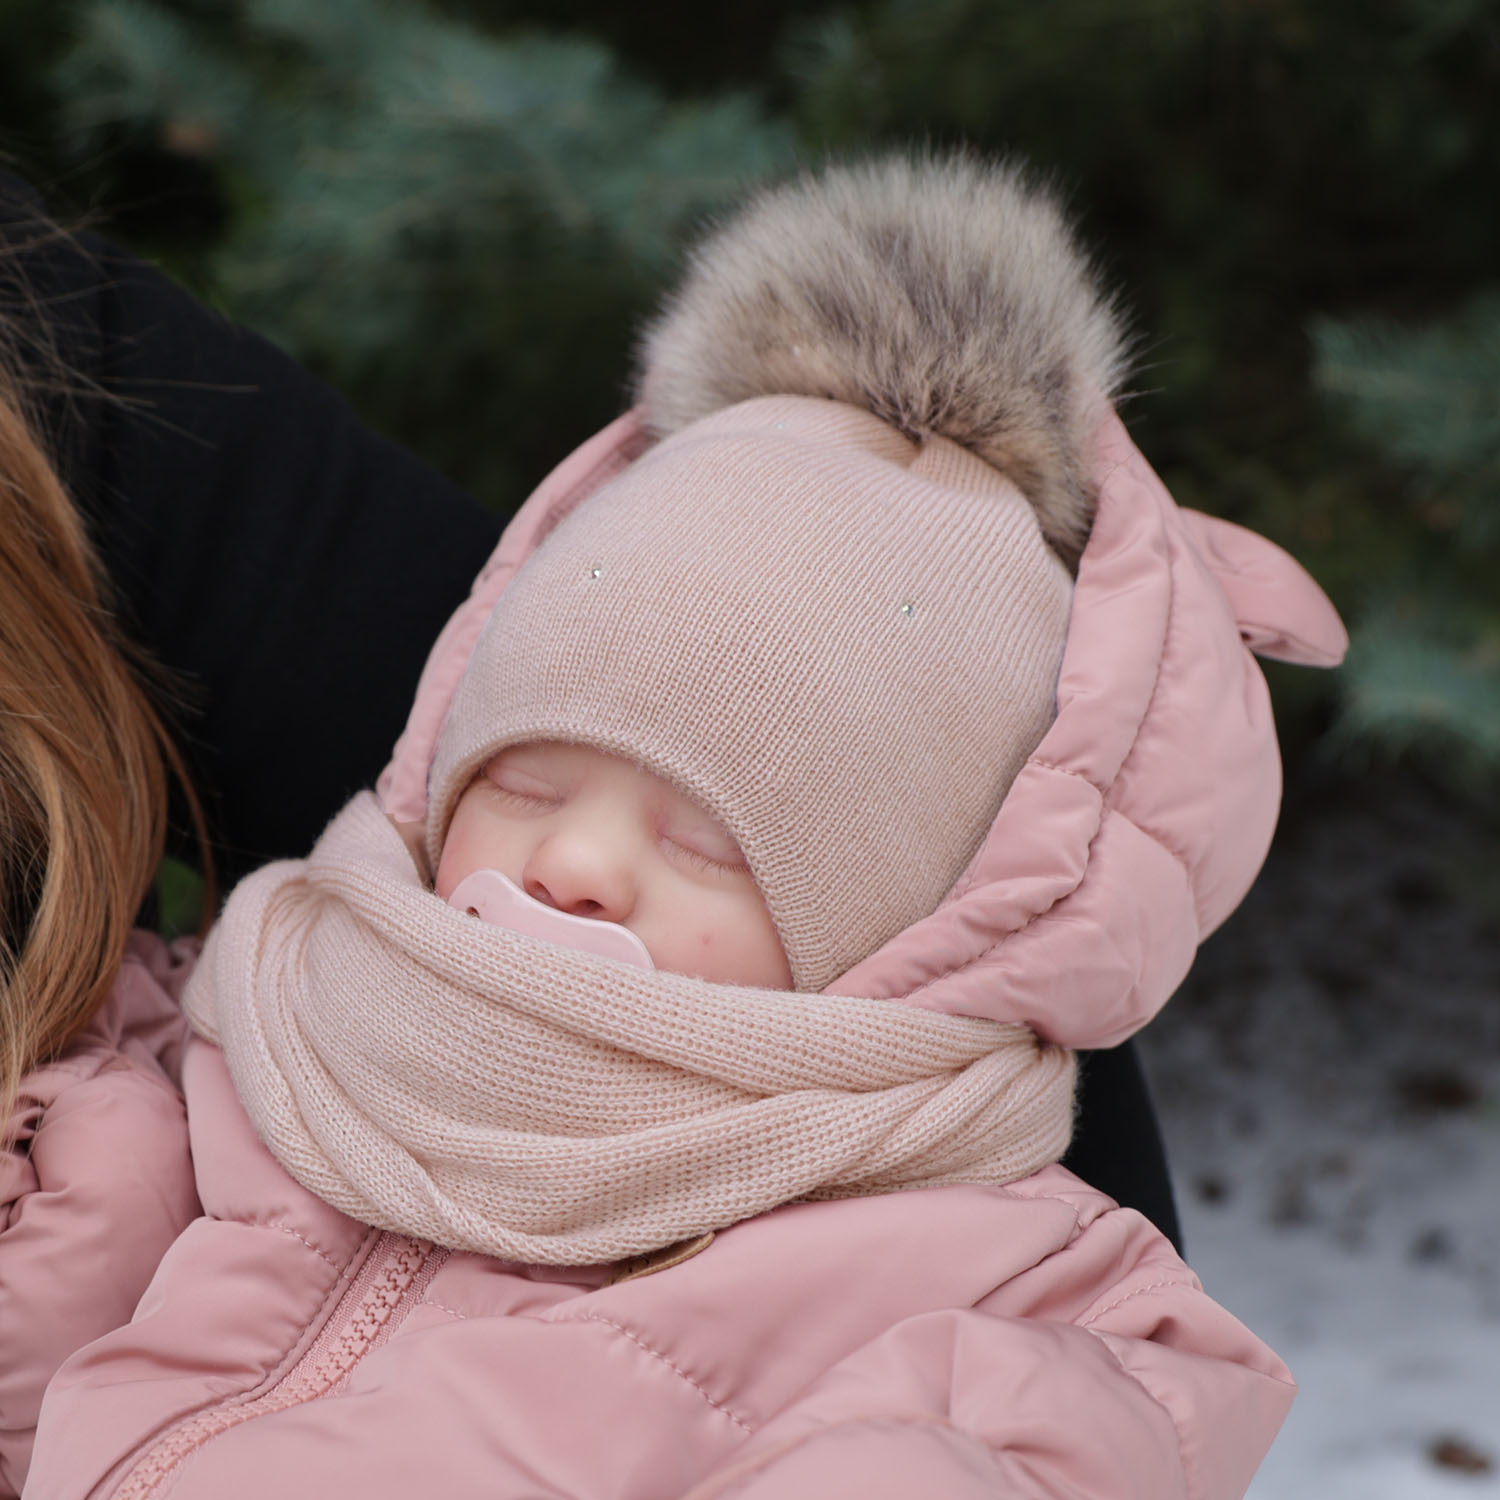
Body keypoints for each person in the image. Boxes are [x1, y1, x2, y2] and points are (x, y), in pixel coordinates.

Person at [13, 152, 1347, 1499]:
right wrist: (80, 1196)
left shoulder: (978, 1283)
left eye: (712, 843)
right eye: (523, 784)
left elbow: (1084, 1443)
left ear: (907, 928)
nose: (576, 862)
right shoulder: (258, 1030)